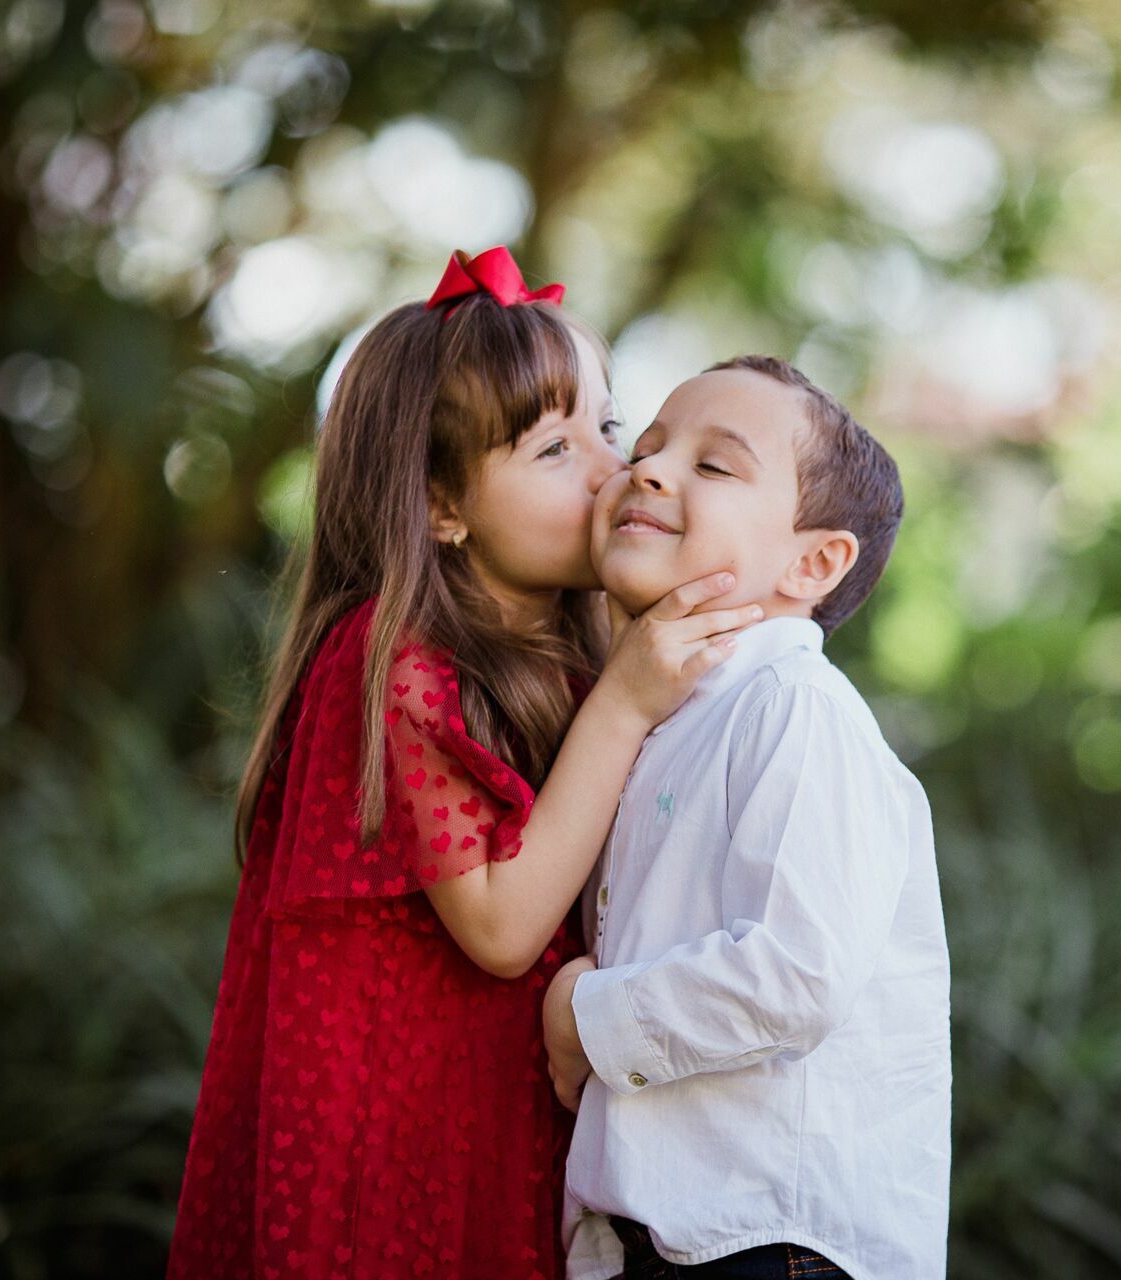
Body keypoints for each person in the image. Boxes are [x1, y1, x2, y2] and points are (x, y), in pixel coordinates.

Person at [165, 248, 762, 1280]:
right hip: (398, 1157)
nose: (608, 468)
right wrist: (624, 701)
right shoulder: (397, 661)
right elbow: (498, 925)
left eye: (607, 430)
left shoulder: (573, 660)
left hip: (507, 1130)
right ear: (442, 503)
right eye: (551, 448)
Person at [542, 355, 952, 1279]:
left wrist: (584, 1016)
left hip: (775, 1244)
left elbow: (796, 974)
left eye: (714, 466)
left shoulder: (794, 706)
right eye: (645, 446)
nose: (648, 469)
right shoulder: (657, 719)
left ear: (813, 561)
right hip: (673, 1241)